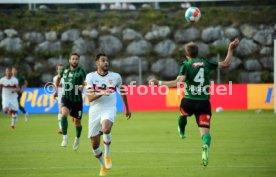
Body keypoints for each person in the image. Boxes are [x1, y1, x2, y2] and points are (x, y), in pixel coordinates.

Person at [149, 38, 240, 166]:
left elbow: (178, 82)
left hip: (188, 101)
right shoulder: (206, 63)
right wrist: (230, 48)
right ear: (198, 53)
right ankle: (205, 146)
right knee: (205, 133)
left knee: (182, 114)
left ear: (186, 55)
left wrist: (159, 83)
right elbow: (226, 64)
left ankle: (182, 131)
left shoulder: (186, 65)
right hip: (203, 103)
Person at [85, 53, 131, 176]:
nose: (106, 63)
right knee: (94, 145)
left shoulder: (116, 77)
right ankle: (102, 165)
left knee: (106, 128)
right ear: (97, 63)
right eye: (103, 60)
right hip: (95, 111)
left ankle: (107, 155)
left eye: (107, 60)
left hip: (109, 108)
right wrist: (102, 92)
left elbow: (122, 91)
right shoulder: (90, 77)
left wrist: (126, 107)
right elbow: (89, 98)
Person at [54, 52, 86, 150]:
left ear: (78, 61)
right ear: (69, 60)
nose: (74, 60)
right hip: (66, 96)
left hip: (77, 99)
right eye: (73, 59)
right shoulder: (64, 70)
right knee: (64, 113)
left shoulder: (81, 71)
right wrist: (56, 89)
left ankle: (77, 138)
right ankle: (65, 138)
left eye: (76, 59)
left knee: (77, 123)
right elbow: (58, 78)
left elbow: (85, 82)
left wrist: (82, 87)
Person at [53, 64, 64, 134]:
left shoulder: (66, 77)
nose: (60, 70)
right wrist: (54, 93)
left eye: (61, 69)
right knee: (60, 111)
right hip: (60, 98)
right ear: (57, 70)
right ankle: (61, 128)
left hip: (68, 97)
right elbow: (55, 87)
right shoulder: (55, 78)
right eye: (59, 69)